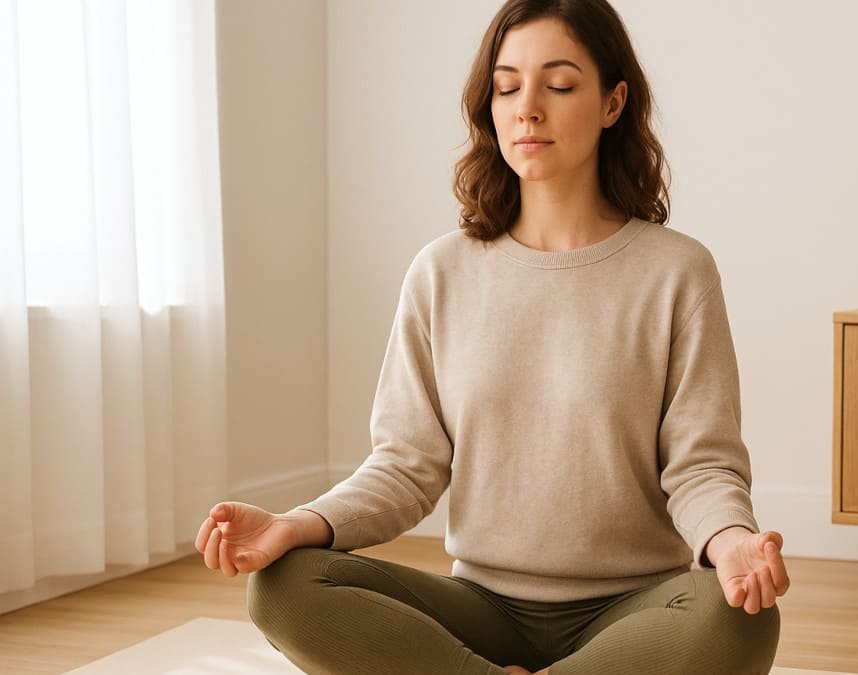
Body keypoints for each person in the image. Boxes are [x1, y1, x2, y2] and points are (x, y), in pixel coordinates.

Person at [194, 0, 789, 672]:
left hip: (637, 607)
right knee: (281, 585)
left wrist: (733, 540)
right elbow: (405, 465)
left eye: (558, 85)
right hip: (481, 607)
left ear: (612, 102)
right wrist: (292, 525)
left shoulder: (678, 271)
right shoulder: (441, 272)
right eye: (507, 87)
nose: (526, 108)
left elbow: (702, 464)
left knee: (742, 620)